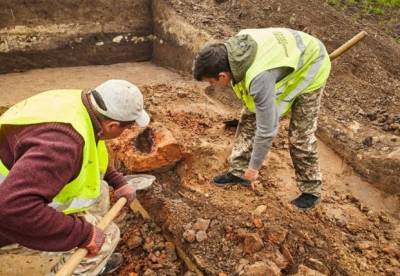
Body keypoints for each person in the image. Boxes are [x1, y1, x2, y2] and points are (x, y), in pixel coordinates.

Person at [0, 79, 150, 275]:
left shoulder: (79, 106)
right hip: (8, 219)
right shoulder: (61, 145)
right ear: (113, 125)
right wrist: (83, 235)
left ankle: (92, 259)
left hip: (15, 188)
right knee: (107, 237)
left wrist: (118, 182)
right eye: (126, 128)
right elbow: (12, 208)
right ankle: (81, 265)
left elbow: (92, 151)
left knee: (101, 191)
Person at [193, 28, 331, 209]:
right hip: (283, 59)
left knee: (300, 136)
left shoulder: (259, 79)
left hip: (312, 63)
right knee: (250, 116)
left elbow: (267, 130)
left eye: (211, 82)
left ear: (222, 75)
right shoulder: (232, 53)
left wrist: (254, 168)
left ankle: (311, 191)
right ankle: (238, 171)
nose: (212, 86)